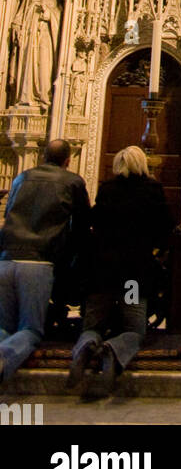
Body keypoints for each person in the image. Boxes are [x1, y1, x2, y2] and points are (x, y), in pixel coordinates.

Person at [68, 146, 173, 399]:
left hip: (102, 273)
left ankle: (85, 346)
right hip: (132, 275)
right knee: (134, 329)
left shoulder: (107, 190)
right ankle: (113, 350)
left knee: (92, 324)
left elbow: (93, 222)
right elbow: (165, 228)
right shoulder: (152, 191)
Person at [0, 139, 90, 389]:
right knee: (30, 330)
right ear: (68, 160)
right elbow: (82, 229)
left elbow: (8, 214)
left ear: (42, 156)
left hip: (5, 258)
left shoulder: (21, 178)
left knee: (4, 326)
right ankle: (4, 357)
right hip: (38, 262)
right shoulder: (72, 181)